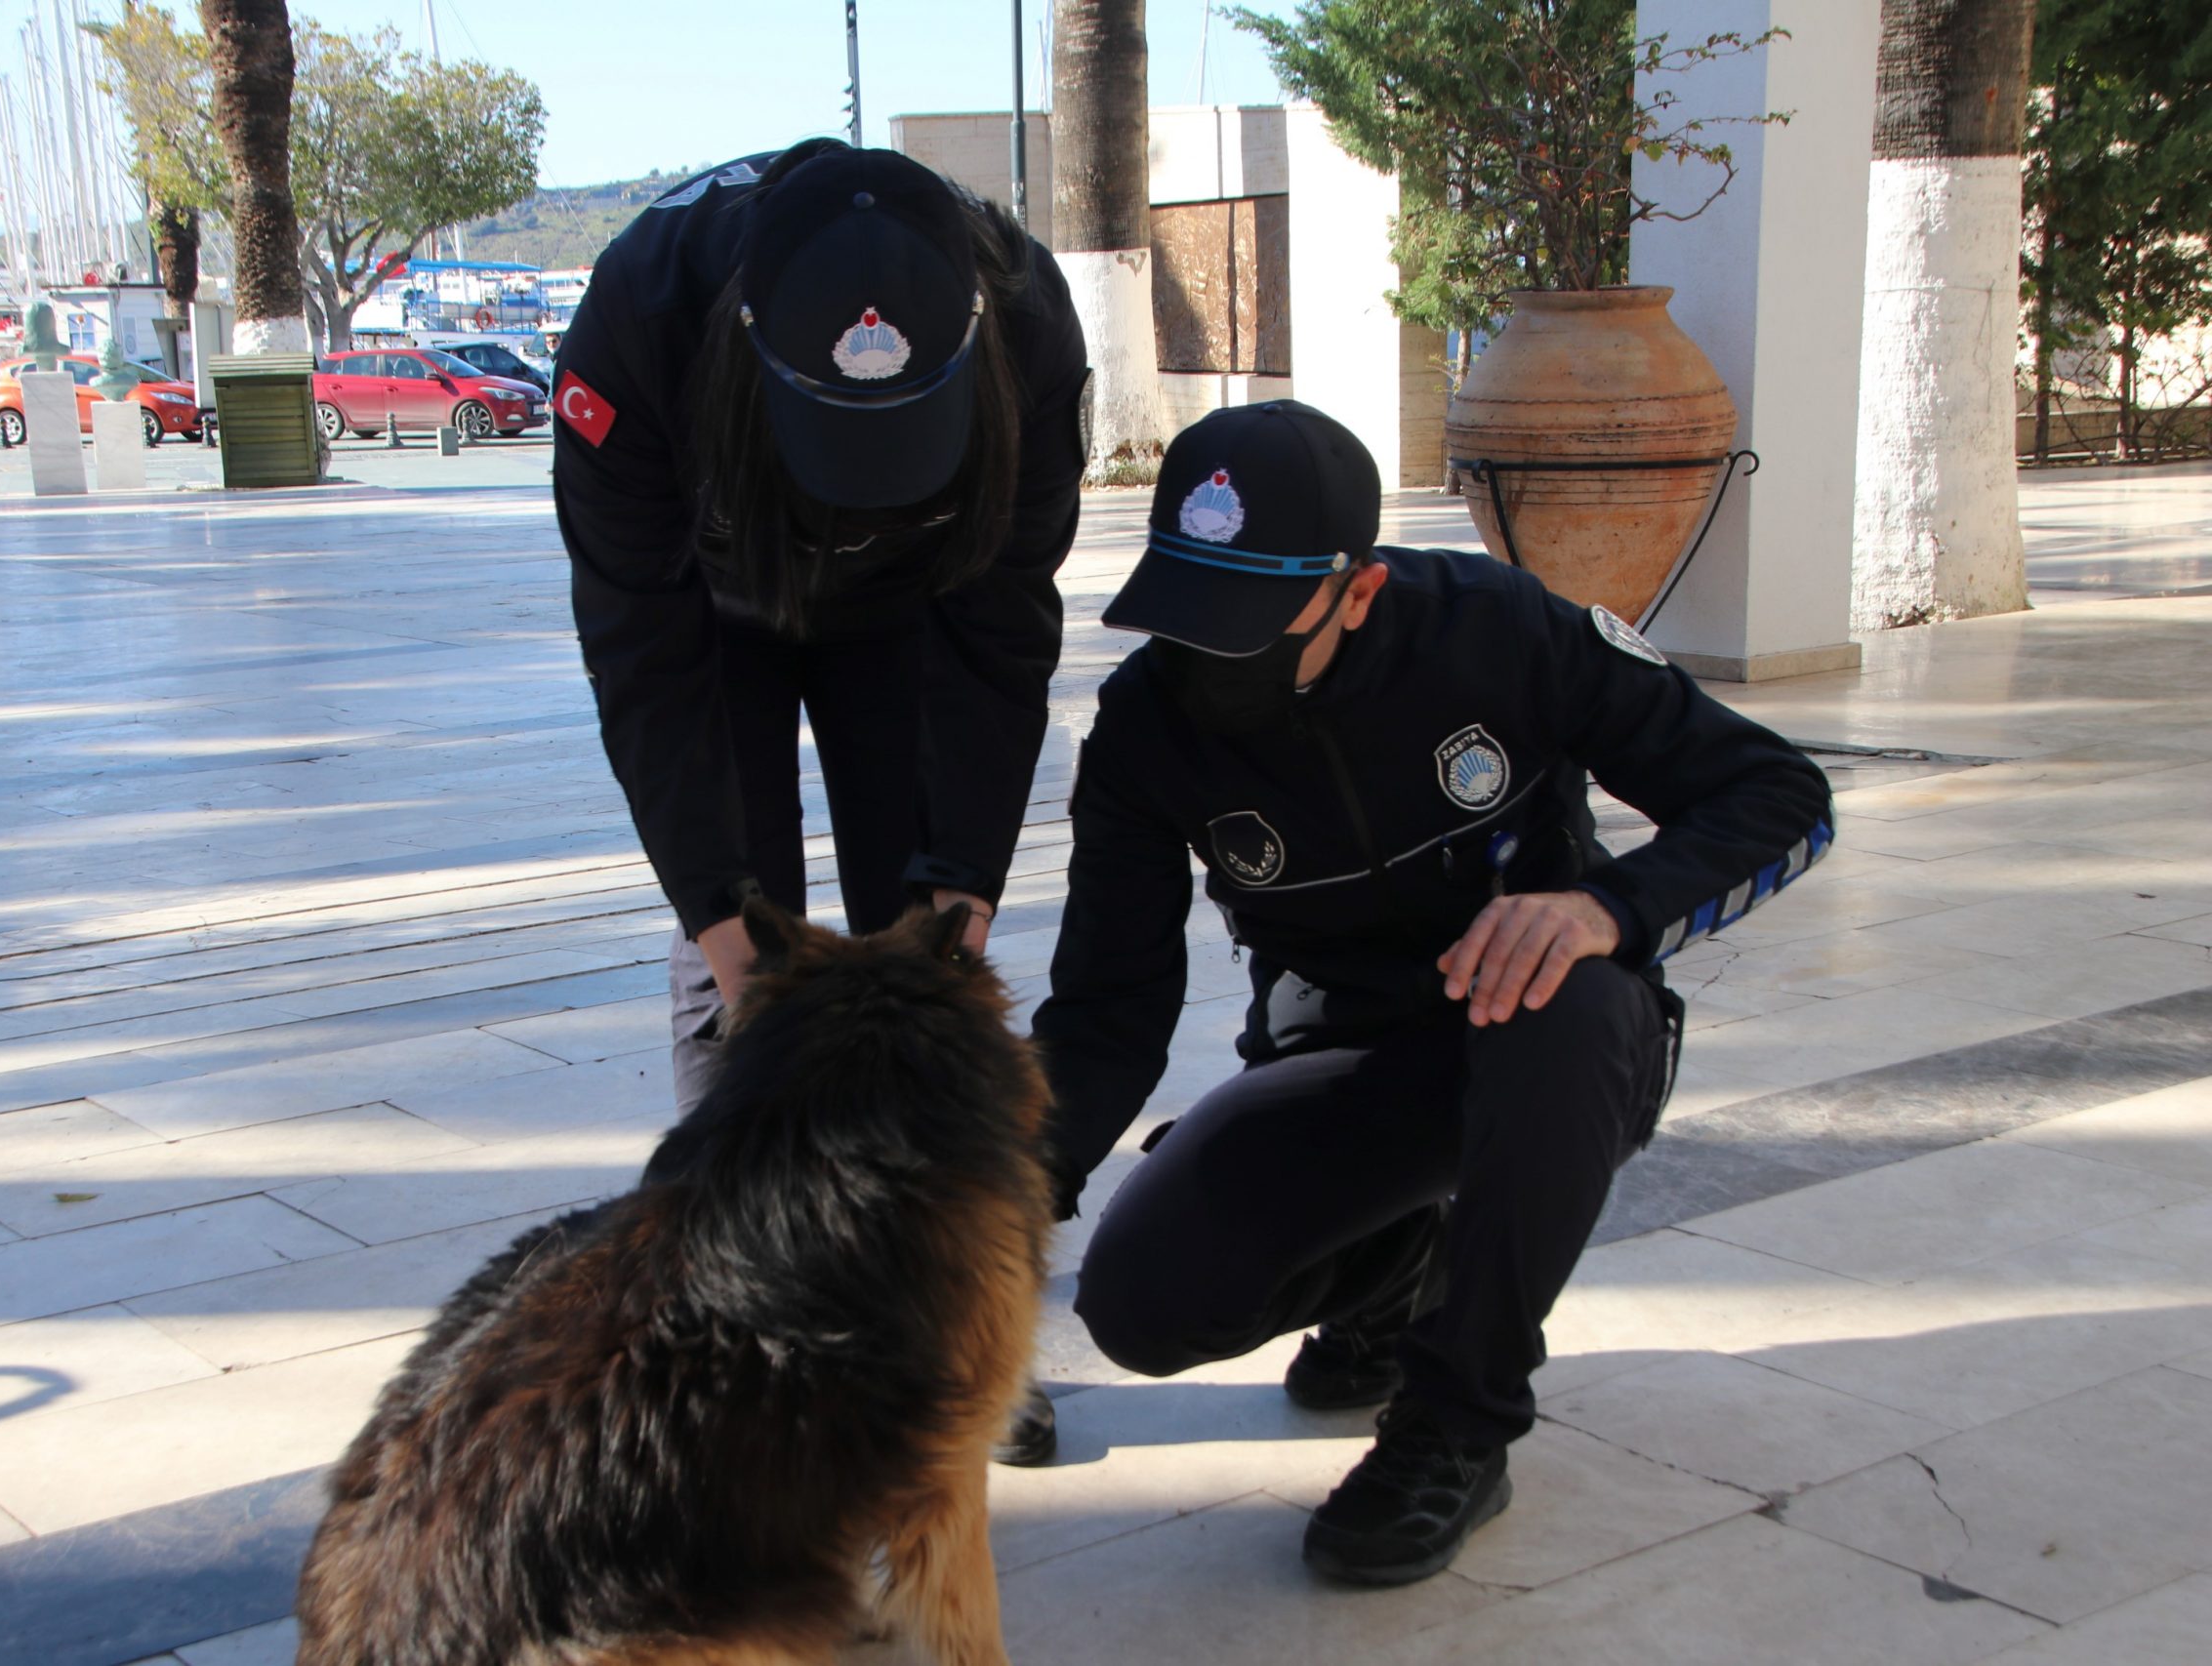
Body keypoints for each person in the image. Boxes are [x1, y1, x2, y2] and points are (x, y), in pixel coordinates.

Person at [1031, 400, 1835, 1583]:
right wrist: (1002, 1195)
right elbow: (1110, 999)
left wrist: (1602, 910)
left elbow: (1778, 796)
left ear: (1357, 590)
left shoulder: (1496, 632)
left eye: (1249, 624)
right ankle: (1394, 1275)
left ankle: (1455, 1427)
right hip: (1345, 1061)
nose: (1210, 659)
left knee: (1559, 1007)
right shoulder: (1147, 728)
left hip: (1558, 1044)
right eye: (1189, 614)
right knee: (1143, 1304)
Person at [550, 142, 1090, 1466]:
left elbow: (1002, 631)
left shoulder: (1026, 320)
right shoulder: (640, 315)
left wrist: (956, 890)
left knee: (927, 956)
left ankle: (957, 1321)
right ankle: (737, 1317)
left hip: (917, 601)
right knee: (734, 961)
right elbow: (642, 650)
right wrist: (731, 928)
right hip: (711, 599)